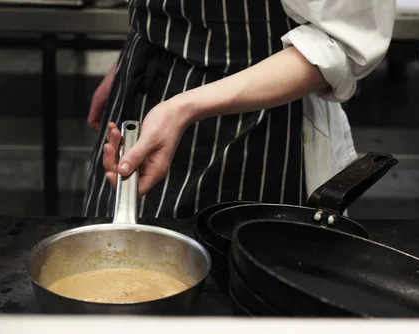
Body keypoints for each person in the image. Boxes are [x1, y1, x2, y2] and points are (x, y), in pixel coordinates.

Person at [83, 0, 396, 218]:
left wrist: (182, 108)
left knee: (220, 288)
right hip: (142, 88)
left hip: (250, 120)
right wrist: (124, 66)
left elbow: (341, 41)